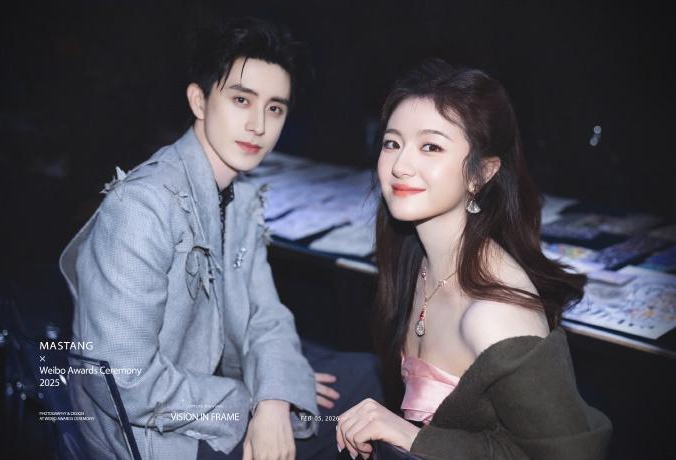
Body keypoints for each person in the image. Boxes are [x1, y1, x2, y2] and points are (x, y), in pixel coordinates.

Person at [59, 17, 366, 460]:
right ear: (199, 100)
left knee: (363, 379)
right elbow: (123, 382)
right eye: (241, 100)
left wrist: (275, 397)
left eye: (275, 108)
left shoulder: (238, 197)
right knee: (354, 401)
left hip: (209, 388)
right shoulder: (141, 208)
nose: (258, 125)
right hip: (150, 435)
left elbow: (265, 317)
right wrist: (250, 402)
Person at [335, 59, 612, 459]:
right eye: (392, 143)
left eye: (430, 147)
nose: (400, 165)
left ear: (480, 174)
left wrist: (412, 438)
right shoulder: (416, 259)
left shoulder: (495, 314)